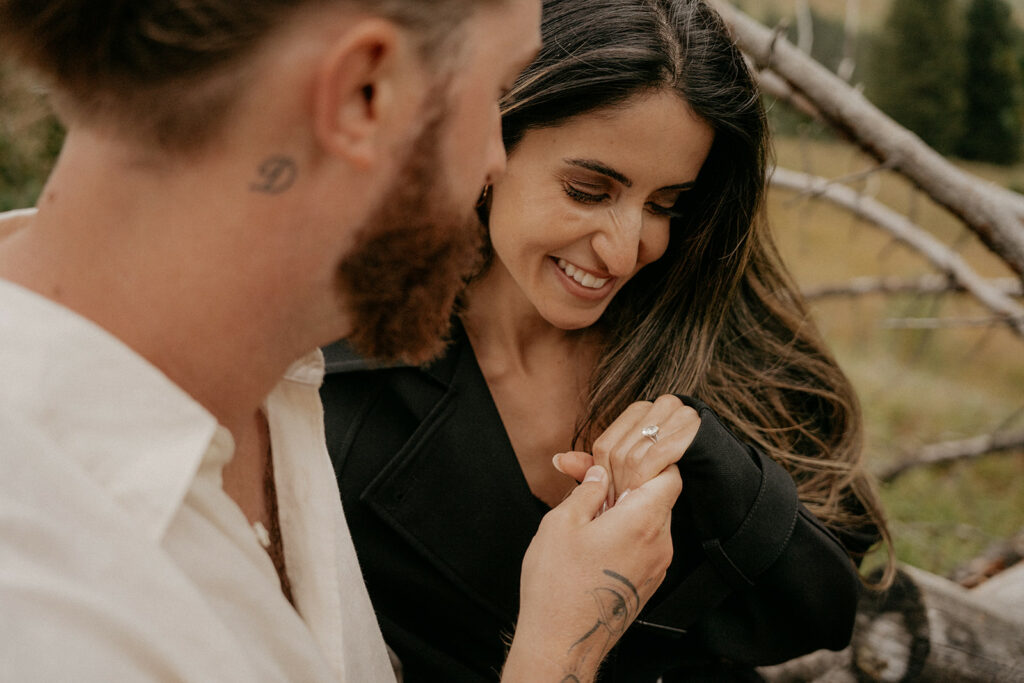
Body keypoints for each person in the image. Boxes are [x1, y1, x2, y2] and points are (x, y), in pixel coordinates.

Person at [0, 1, 683, 681]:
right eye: (495, 93)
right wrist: (560, 651)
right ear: (364, 92)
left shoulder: (274, 377)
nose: (494, 162)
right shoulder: (40, 600)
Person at [321, 0, 895, 680]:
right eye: (588, 190)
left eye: (664, 204)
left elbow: (825, 607)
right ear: (489, 141)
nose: (625, 253)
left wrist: (713, 465)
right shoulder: (341, 388)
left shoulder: (712, 330)